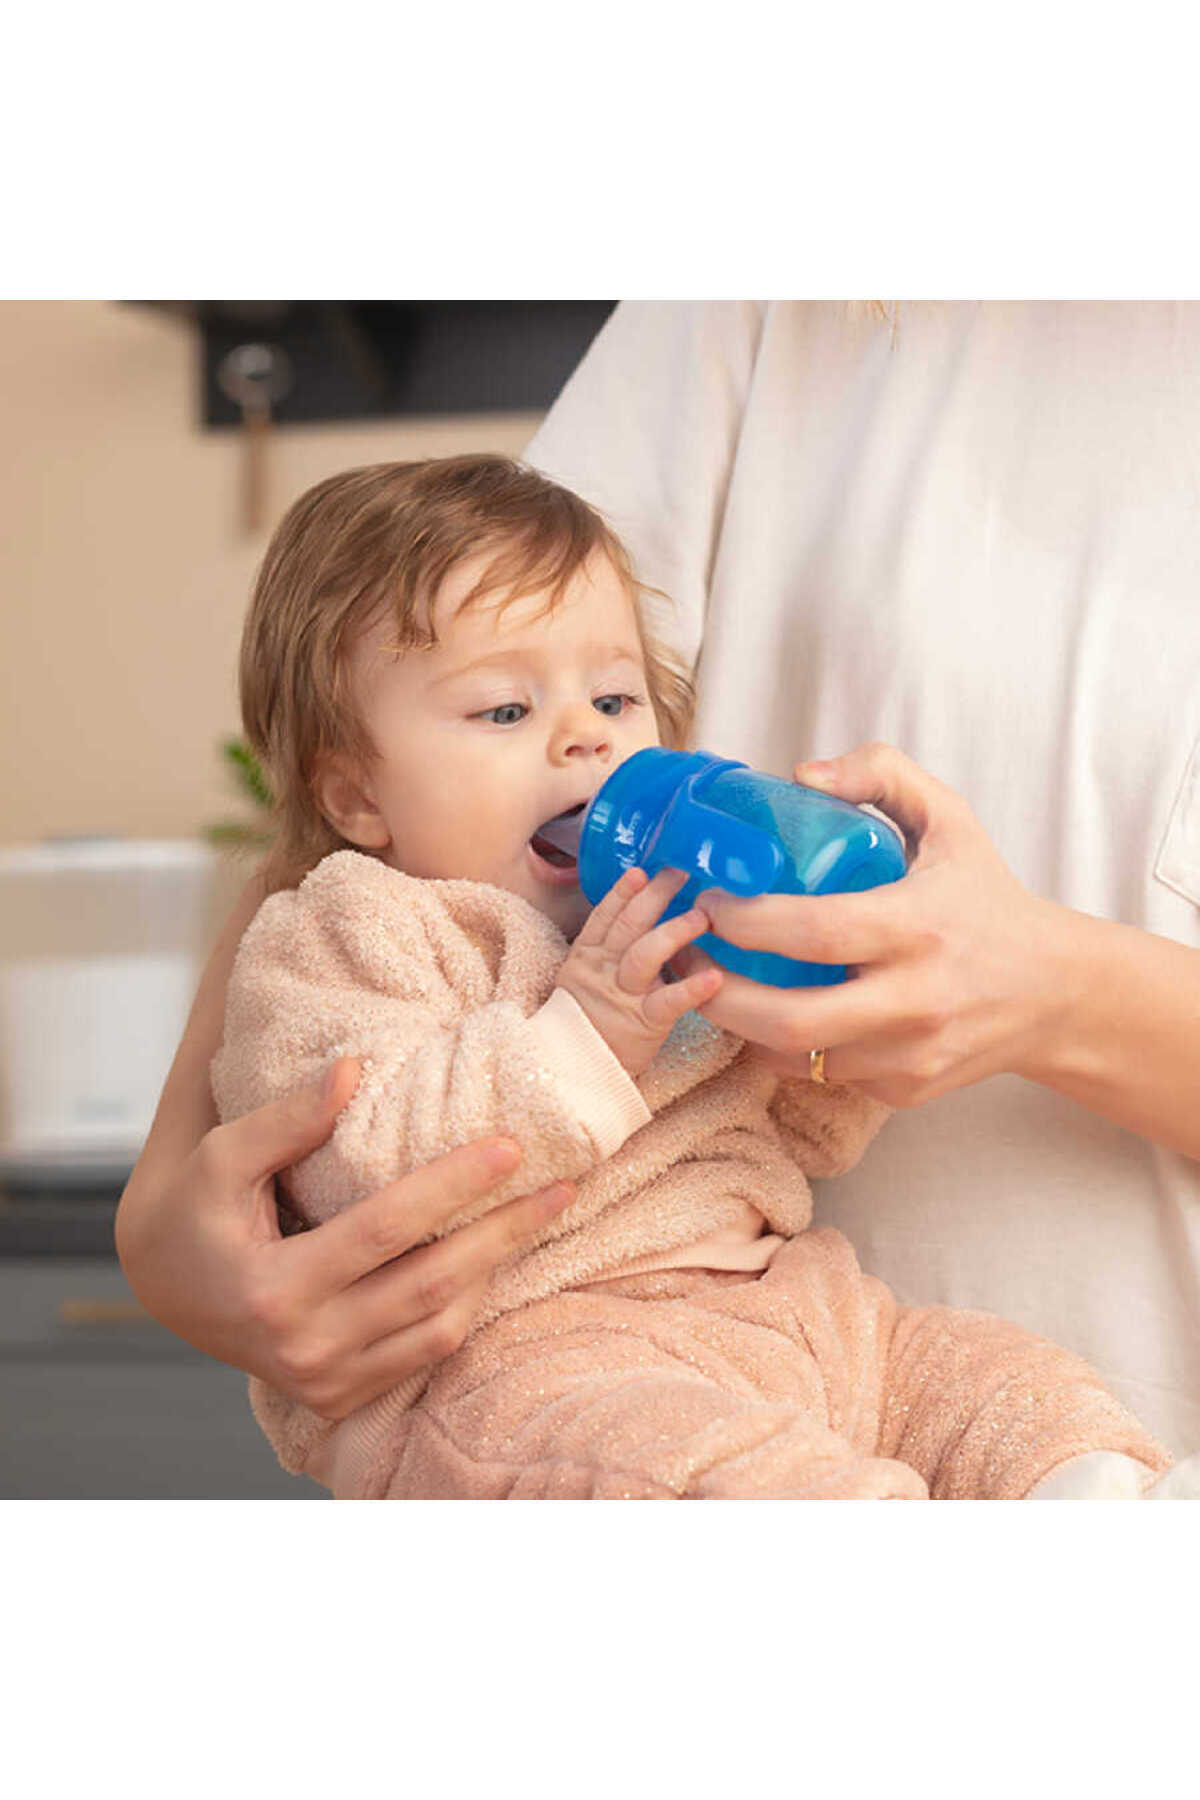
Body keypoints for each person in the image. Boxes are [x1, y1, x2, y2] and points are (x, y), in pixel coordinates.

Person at [117, 300, 1200, 1467]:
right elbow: (350, 1155)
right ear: (357, 800)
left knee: (1002, 1385)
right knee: (703, 1470)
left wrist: (830, 1029)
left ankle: (1087, 1497)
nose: (587, 741)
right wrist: (587, 1033)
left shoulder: (656, 926)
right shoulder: (355, 930)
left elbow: (803, 1132)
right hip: (540, 1359)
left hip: (789, 1308)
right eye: (506, 710)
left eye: (618, 700)